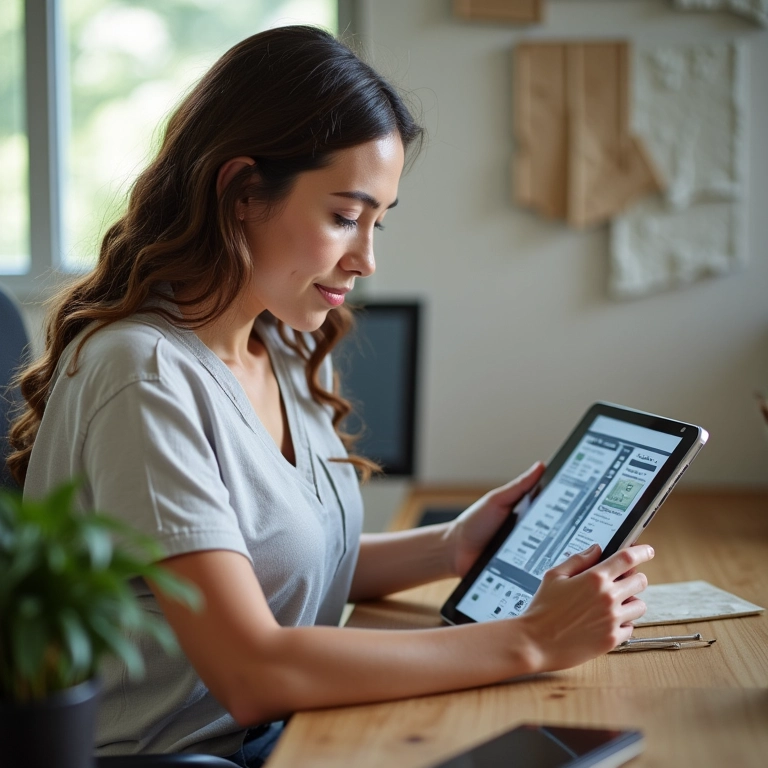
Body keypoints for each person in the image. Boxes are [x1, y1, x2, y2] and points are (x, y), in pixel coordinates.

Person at [9, 25, 653, 767]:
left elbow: (274, 562)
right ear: (243, 191)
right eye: (345, 217)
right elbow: (253, 672)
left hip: (268, 740)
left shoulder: (273, 338)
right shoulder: (145, 375)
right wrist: (532, 638)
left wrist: (450, 547)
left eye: (378, 221)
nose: (368, 258)